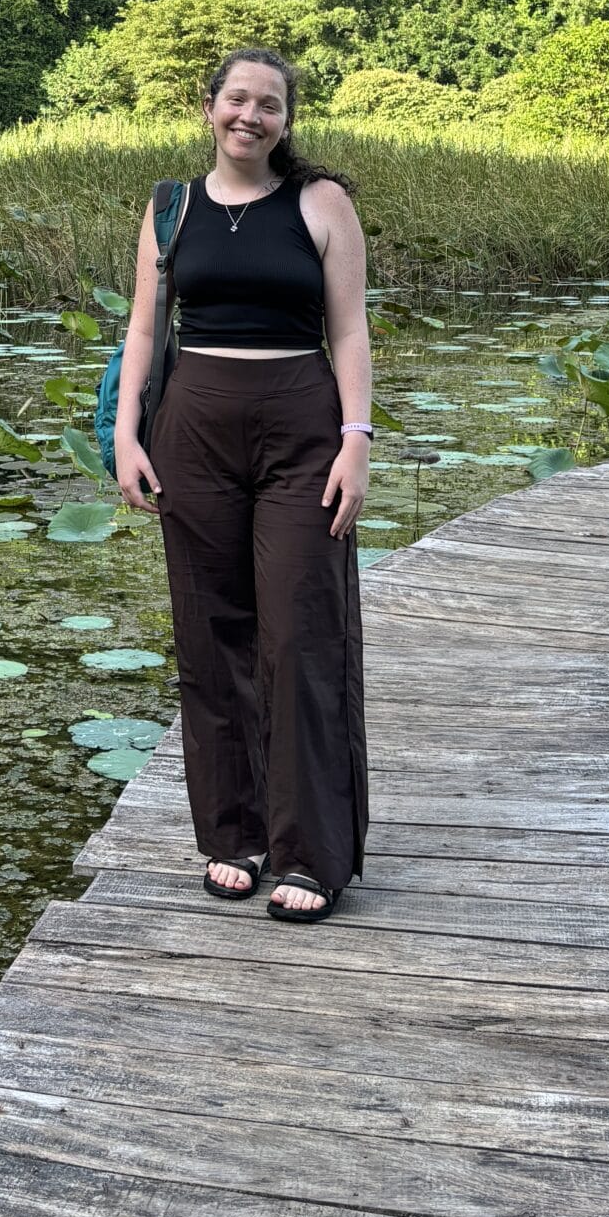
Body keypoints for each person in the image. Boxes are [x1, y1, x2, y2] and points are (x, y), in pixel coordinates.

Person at [112, 46, 371, 922]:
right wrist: (125, 435)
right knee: (211, 636)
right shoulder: (169, 207)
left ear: (287, 121)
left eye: (270, 105)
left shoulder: (321, 203)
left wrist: (356, 441)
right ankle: (235, 834)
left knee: (302, 634)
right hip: (194, 431)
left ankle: (311, 855)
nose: (250, 117)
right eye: (236, 100)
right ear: (209, 106)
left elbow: (351, 334)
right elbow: (145, 332)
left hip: (302, 428)